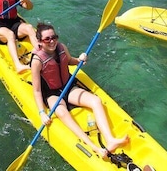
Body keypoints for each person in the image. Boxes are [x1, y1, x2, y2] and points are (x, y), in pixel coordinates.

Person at [31, 23, 129, 159]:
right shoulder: (36, 61)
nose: (52, 41)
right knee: (61, 112)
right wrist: (42, 113)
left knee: (95, 101)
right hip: (52, 93)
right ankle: (94, 147)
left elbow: (69, 60)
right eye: (47, 39)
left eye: (54, 37)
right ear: (40, 42)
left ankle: (110, 140)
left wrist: (79, 60)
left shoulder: (61, 47)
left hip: (68, 86)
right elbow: (36, 90)